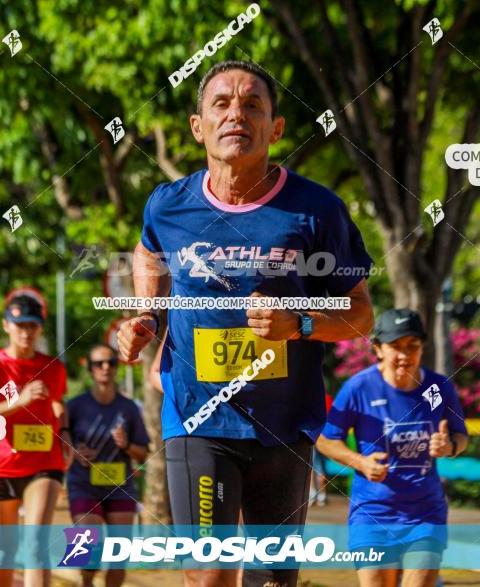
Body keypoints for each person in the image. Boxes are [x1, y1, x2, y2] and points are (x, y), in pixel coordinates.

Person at [118, 60, 375, 587]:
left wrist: (300, 324)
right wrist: (146, 313)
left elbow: (361, 316)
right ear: (198, 126)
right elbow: (147, 256)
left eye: (253, 105)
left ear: (275, 128)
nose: (237, 114)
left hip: (283, 424)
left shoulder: (318, 211)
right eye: (222, 104)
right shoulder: (168, 206)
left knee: (272, 580)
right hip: (197, 417)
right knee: (209, 573)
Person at [317, 309, 469, 587]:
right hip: (373, 512)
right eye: (395, 347)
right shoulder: (359, 388)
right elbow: (325, 440)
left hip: (425, 512)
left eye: (413, 346)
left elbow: (461, 437)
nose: (405, 355)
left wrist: (449, 446)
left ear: (423, 347)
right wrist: (361, 462)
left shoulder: (438, 388)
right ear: (377, 348)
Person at [0, 290, 72, 587]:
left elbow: (57, 403)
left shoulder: (54, 367)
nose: (27, 332)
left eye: (32, 326)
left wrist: (64, 432)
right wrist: (19, 401)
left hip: (45, 463)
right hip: (1, 467)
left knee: (37, 545)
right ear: (6, 326)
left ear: (40, 328)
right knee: (4, 551)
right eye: (20, 325)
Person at [67, 343, 150, 587]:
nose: (105, 368)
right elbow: (60, 443)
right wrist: (76, 452)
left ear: (117, 367)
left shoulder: (129, 407)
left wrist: (125, 445)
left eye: (111, 363)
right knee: (86, 546)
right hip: (84, 484)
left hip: (120, 486)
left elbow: (143, 453)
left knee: (119, 555)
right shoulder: (75, 406)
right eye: (98, 364)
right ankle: (86, 581)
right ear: (90, 369)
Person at [309, 393, 334, 507]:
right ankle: (321, 496)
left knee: (312, 466)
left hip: (313, 435)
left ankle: (313, 494)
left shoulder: (310, 397)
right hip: (325, 436)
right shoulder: (328, 398)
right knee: (321, 467)